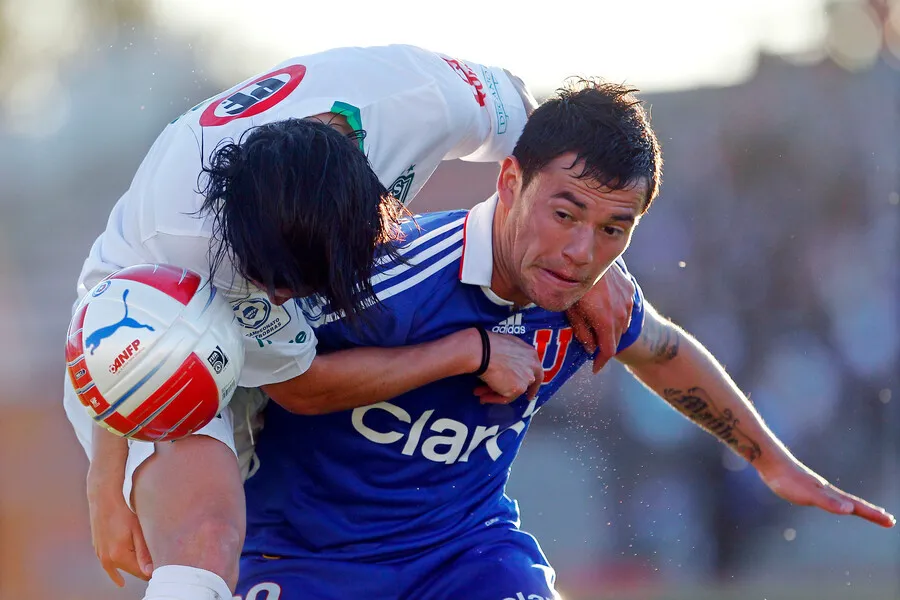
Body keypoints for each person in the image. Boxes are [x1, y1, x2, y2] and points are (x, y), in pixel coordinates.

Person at [235, 79, 896, 600]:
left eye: (614, 229)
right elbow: (288, 380)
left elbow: (665, 352)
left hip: (467, 554)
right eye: (564, 214)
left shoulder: (589, 297)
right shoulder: (387, 273)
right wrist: (468, 353)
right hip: (304, 556)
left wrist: (769, 460)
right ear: (509, 183)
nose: (583, 251)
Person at [64, 45, 638, 599]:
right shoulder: (177, 236)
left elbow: (549, 145)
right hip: (162, 333)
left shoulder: (425, 98)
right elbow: (126, 344)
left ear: (373, 216)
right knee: (207, 538)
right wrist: (105, 485)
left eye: (304, 285)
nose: (282, 301)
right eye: (272, 283)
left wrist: (585, 264)